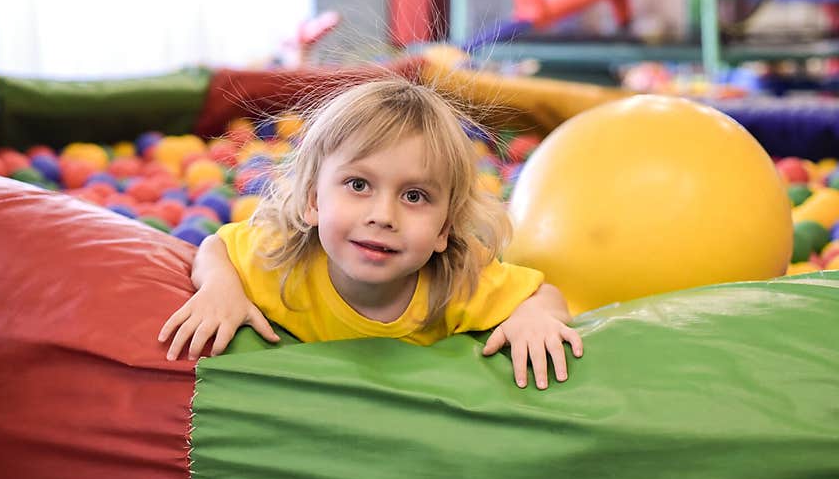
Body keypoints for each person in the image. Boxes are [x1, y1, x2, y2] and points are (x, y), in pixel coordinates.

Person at [159, 78, 583, 390]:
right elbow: (215, 246)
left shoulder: (456, 283)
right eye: (358, 185)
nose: (383, 216)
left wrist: (535, 317)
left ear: (445, 230)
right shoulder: (282, 261)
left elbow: (542, 294)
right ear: (313, 202)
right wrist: (220, 288)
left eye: (414, 196)